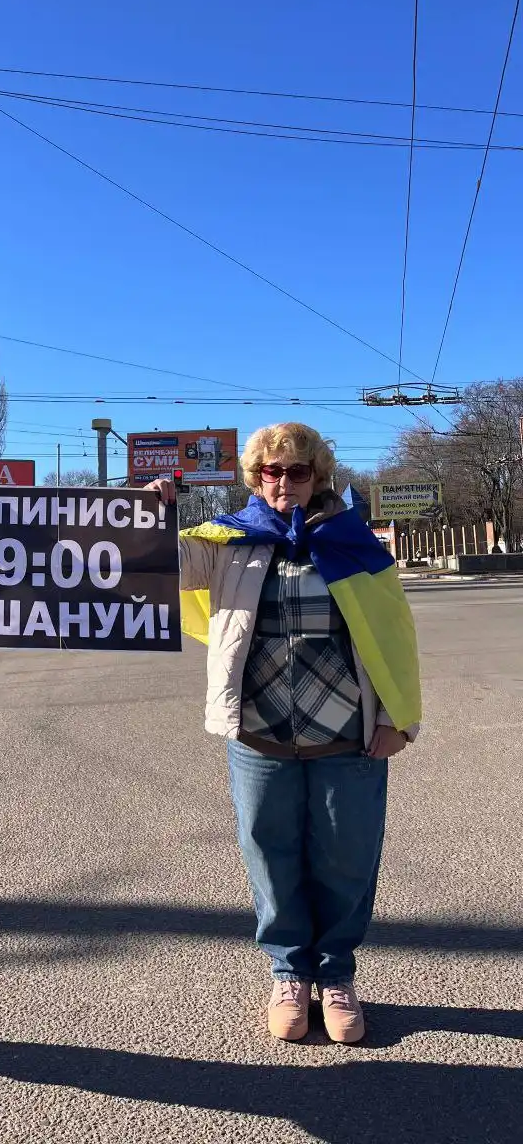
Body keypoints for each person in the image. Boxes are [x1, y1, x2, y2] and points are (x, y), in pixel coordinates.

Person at [149, 422, 421, 1044]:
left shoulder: (355, 543)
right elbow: (162, 562)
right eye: (272, 472)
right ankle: (287, 973)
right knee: (270, 858)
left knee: (347, 860)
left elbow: (395, 635)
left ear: (317, 477)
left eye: (298, 472)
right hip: (259, 734)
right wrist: (154, 513)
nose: (284, 483)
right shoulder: (228, 543)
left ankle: (336, 977)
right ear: (255, 478)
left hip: (347, 734)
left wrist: (396, 718)